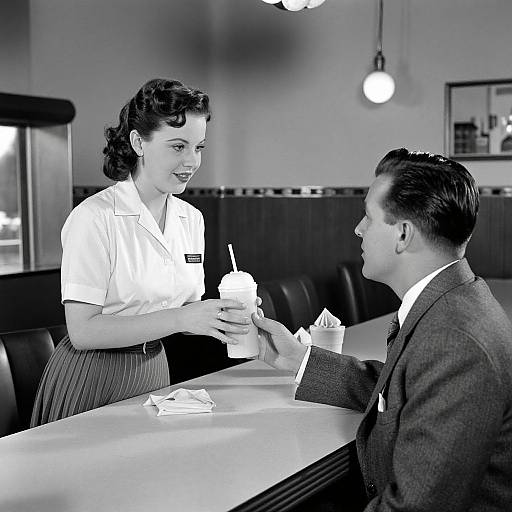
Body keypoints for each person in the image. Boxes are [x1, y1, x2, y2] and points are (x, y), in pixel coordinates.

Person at [252, 148, 512, 511]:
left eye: (368, 217)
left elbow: (413, 507)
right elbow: (408, 389)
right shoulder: (455, 298)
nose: (358, 228)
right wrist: (299, 359)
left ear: (403, 234)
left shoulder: (455, 340)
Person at [31, 78, 249, 426]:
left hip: (154, 371)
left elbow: (183, 312)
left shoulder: (191, 219)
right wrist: (183, 318)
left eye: (199, 147)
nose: (192, 161)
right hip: (92, 376)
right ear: (138, 142)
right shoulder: (94, 217)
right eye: (178, 147)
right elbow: (83, 332)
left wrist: (219, 316)